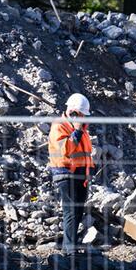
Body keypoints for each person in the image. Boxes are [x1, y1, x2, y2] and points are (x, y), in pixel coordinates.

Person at [48, 93, 95, 254]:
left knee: (77, 212)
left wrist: (89, 170)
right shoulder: (59, 126)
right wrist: (76, 131)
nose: (84, 118)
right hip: (66, 174)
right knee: (71, 212)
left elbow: (86, 153)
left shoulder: (82, 130)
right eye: (81, 115)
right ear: (74, 112)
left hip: (80, 176)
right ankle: (69, 250)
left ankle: (71, 246)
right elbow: (66, 149)